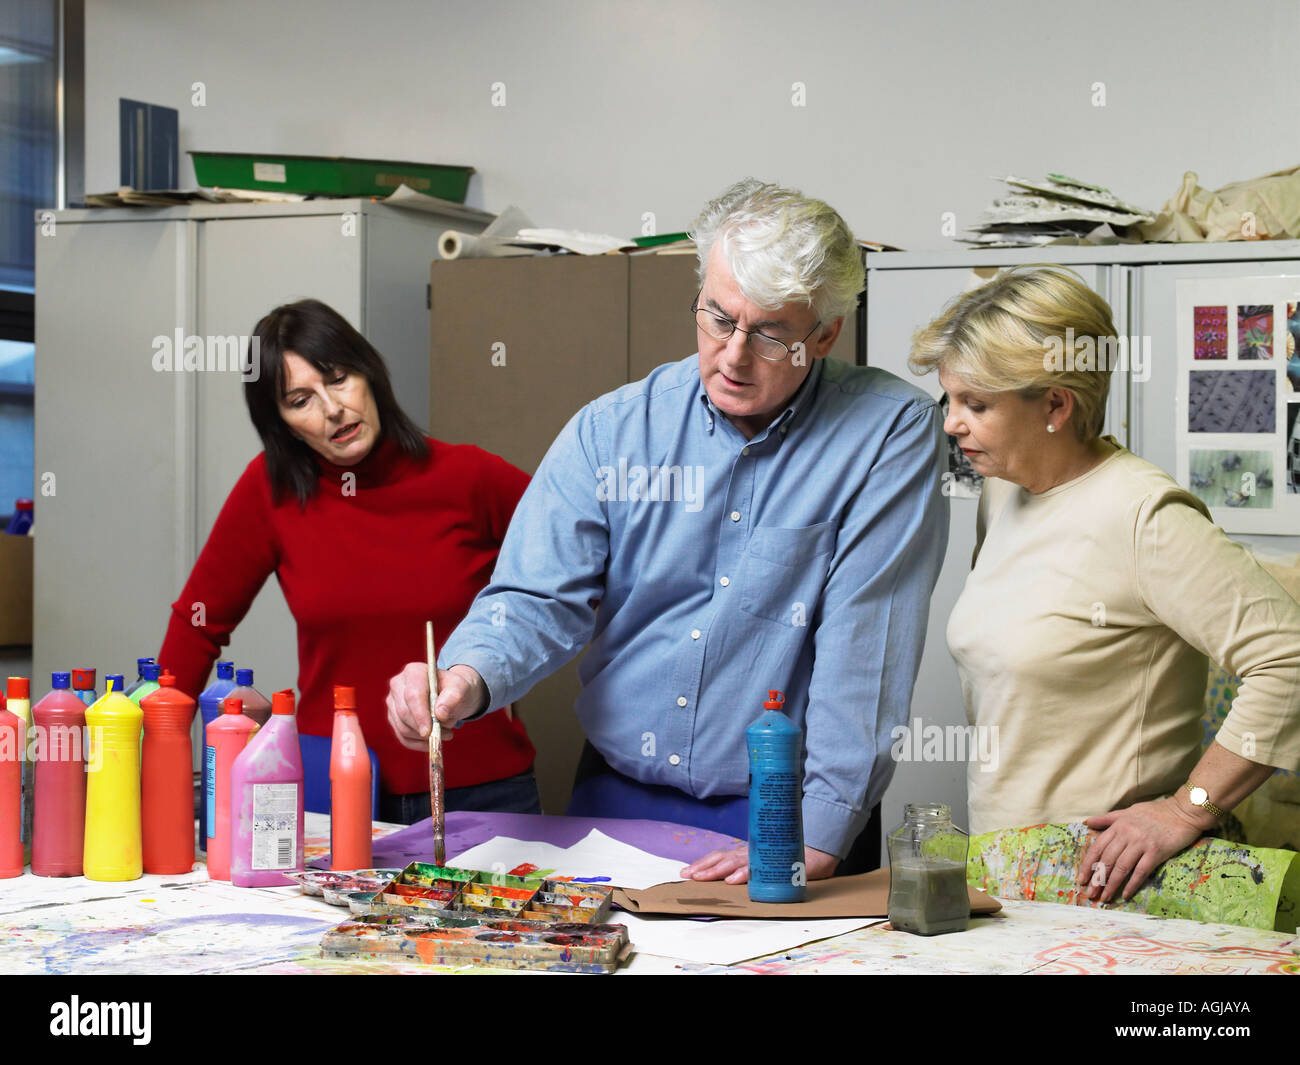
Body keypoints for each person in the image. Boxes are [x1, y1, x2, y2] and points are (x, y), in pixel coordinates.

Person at [386, 179, 949, 880]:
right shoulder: (613, 428)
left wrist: (819, 838)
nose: (734, 355)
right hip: (610, 802)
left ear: (826, 333)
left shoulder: (887, 435)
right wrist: (464, 675)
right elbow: (537, 596)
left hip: (783, 813)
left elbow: (867, 649)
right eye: (717, 317)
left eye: (770, 333)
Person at [908, 265, 1300, 902]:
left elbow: (1288, 657)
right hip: (1007, 871)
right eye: (949, 400)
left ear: (1057, 405)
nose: (952, 423)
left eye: (976, 405)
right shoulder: (1004, 492)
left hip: (1110, 888)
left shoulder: (1145, 517)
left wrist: (1185, 809)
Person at [159, 299, 539, 822]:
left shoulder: (472, 477)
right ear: (285, 424)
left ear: (370, 374)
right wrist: (155, 752)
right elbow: (197, 624)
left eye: (338, 379)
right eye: (300, 400)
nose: (332, 409)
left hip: (480, 790)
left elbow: (575, 577)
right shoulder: (270, 492)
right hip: (330, 789)